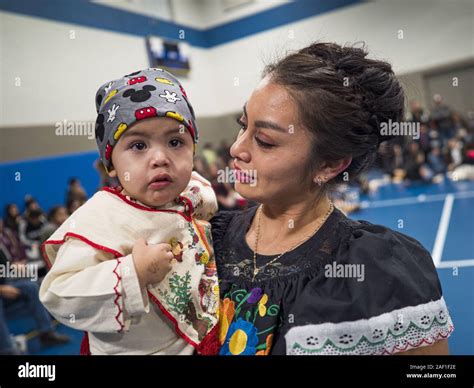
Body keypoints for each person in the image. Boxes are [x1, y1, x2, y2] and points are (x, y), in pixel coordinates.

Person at [211, 42, 453, 355]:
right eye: (242, 126)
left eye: (264, 141)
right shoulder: (208, 240)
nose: (237, 149)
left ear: (330, 164)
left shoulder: (378, 274)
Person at [40, 69, 220, 355]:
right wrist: (133, 272)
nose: (160, 158)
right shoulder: (101, 218)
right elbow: (60, 293)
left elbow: (205, 203)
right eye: (138, 145)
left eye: (176, 142)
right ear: (111, 165)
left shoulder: (193, 193)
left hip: (198, 338)